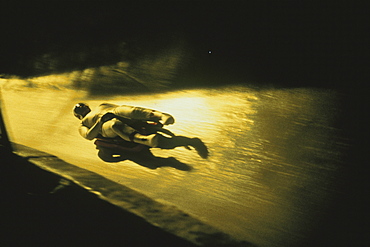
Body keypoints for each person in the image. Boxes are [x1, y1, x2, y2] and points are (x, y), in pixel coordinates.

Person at [73, 102, 208, 158]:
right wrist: (100, 121)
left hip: (116, 113)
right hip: (104, 126)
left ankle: (160, 115)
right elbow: (89, 136)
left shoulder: (101, 105)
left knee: (124, 109)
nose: (83, 108)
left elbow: (118, 108)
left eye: (83, 107)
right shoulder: (83, 124)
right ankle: (143, 139)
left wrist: (115, 112)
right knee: (114, 124)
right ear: (79, 116)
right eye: (80, 109)